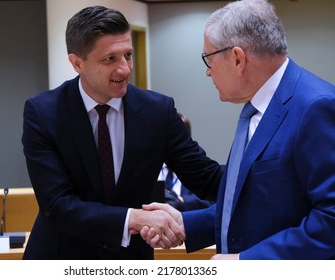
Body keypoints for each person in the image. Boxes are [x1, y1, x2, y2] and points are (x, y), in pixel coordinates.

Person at [21, 5, 223, 259]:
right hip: (61, 257)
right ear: (77, 63)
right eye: (110, 59)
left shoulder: (158, 111)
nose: (125, 69)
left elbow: (207, 178)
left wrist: (267, 177)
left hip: (131, 259)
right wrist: (134, 218)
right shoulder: (44, 113)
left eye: (128, 55)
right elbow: (58, 206)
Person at [141, 0, 335, 259]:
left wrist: (246, 262)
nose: (208, 73)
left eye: (208, 59)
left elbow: (330, 219)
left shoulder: (316, 106)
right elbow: (257, 203)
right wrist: (185, 224)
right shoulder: (254, 108)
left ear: (237, 58)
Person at [159, 112, 215, 211]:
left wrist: (181, 201)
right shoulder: (148, 167)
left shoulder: (198, 166)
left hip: (190, 223)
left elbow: (212, 199)